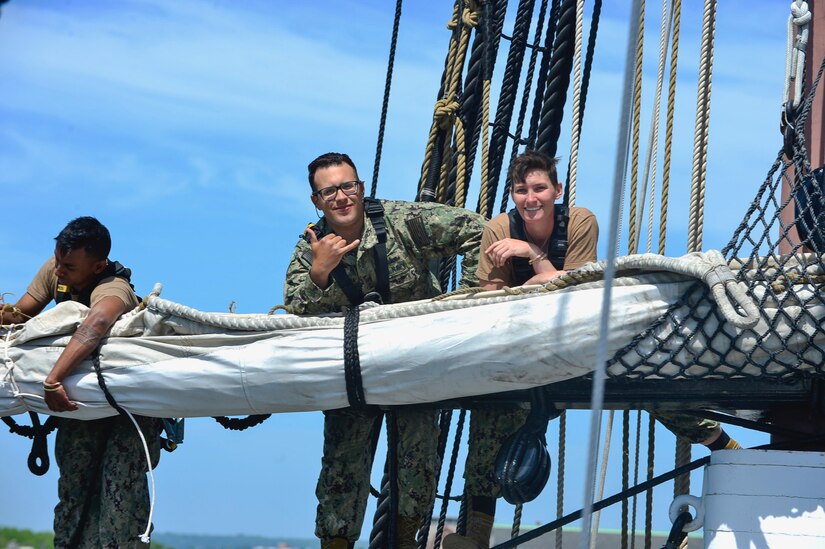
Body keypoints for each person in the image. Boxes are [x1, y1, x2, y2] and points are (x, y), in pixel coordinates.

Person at [443, 150, 739, 549]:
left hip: (581, 338)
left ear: (556, 190)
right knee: (490, 415)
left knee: (651, 386)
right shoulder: (499, 228)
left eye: (539, 188)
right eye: (520, 190)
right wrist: (543, 281)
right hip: (521, 340)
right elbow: (492, 300)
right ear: (512, 195)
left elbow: (580, 287)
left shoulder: (579, 221)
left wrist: (532, 256)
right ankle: (476, 535)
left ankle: (728, 449)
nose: (531, 199)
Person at [283, 152, 486, 549]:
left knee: (417, 457)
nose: (341, 197)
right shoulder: (312, 243)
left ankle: (407, 539)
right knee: (341, 463)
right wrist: (320, 271)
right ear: (316, 201)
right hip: (355, 368)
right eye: (329, 191)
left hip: (415, 361)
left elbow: (476, 229)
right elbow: (293, 308)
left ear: (360, 187)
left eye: (348, 186)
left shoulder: (401, 221)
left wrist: (464, 302)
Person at [1, 217, 162, 549]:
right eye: (58, 261)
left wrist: (53, 379)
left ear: (98, 264)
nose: (59, 271)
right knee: (73, 491)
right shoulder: (58, 267)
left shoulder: (114, 288)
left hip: (125, 415)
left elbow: (97, 322)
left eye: (69, 266)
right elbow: (22, 313)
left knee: (119, 494)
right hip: (79, 407)